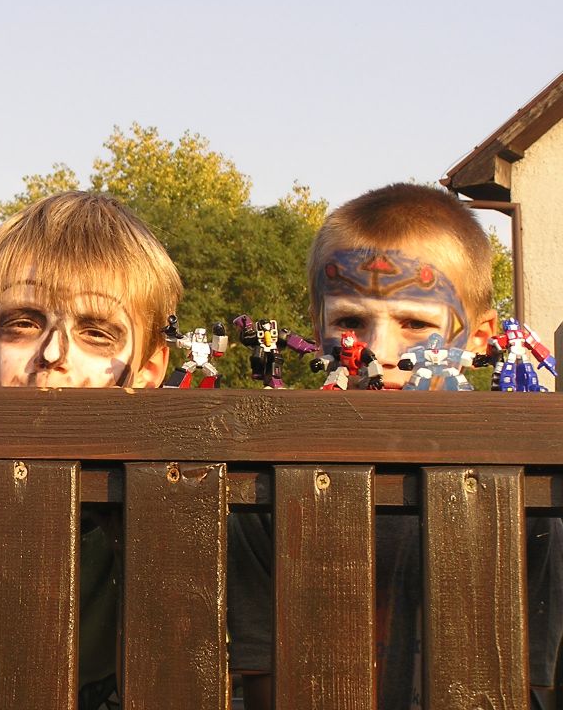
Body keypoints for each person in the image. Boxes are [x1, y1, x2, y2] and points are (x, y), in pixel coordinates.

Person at [228, 183, 563, 709]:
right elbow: (266, 682)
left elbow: (526, 688)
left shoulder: (531, 502)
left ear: (479, 338)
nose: (378, 352)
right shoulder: (262, 488)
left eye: (415, 323)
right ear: (317, 327)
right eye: (349, 322)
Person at [0, 190, 182, 710]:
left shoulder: (172, 513)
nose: (52, 353)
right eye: (23, 323)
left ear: (150, 369)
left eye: (97, 332)